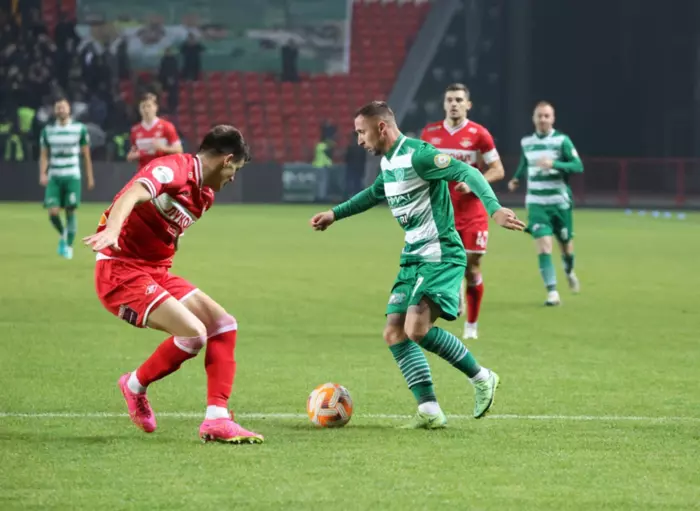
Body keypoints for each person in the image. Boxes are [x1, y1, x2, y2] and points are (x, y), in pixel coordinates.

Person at [310, 101, 524, 429]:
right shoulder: (389, 163)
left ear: (381, 127)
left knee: (417, 329)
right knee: (394, 332)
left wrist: (494, 209)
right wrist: (334, 214)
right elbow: (373, 194)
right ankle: (429, 410)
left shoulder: (419, 155)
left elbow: (467, 171)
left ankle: (483, 378)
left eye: (361, 132)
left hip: (440, 254)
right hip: (412, 257)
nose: (359, 140)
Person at [83, 125, 263, 444]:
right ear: (226, 159)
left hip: (155, 272)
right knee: (194, 334)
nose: (233, 178)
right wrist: (112, 230)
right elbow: (133, 193)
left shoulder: (204, 196)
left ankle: (217, 419)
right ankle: (134, 385)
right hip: (120, 271)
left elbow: (168, 231)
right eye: (235, 169)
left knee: (224, 325)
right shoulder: (174, 169)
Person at [420, 83, 504, 340]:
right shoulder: (429, 134)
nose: (454, 104)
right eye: (450, 100)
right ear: (444, 104)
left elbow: (498, 169)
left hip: (472, 213)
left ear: (468, 105)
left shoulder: (479, 134)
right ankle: (444, 301)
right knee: (439, 264)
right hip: (441, 213)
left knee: (472, 266)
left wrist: (474, 182)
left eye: (459, 100)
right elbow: (420, 168)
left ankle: (471, 324)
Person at [508, 101, 583, 306]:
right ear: (533, 118)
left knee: (566, 246)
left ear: (553, 118)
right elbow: (525, 163)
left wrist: (554, 164)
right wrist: (516, 178)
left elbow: (578, 166)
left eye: (546, 116)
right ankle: (552, 292)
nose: (542, 119)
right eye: (539, 116)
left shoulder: (562, 141)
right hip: (536, 203)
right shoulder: (527, 142)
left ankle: (569, 270)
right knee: (543, 246)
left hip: (559, 203)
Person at [39, 97, 94, 260]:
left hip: (72, 176)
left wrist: (89, 176)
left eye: (63, 107)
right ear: (55, 111)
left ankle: (68, 245)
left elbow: (86, 154)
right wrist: (42, 173)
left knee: (70, 210)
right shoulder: (48, 131)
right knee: (53, 212)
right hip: (54, 176)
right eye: (58, 107)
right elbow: (44, 155)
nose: (61, 110)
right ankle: (63, 233)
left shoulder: (79, 129)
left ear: (69, 109)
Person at [127, 93, 182, 170]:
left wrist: (163, 148)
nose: (146, 110)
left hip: (163, 170)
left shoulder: (167, 126)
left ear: (156, 107)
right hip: (144, 171)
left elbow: (179, 150)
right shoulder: (135, 130)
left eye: (149, 106)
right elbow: (132, 153)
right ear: (139, 109)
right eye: (143, 107)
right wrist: (133, 156)